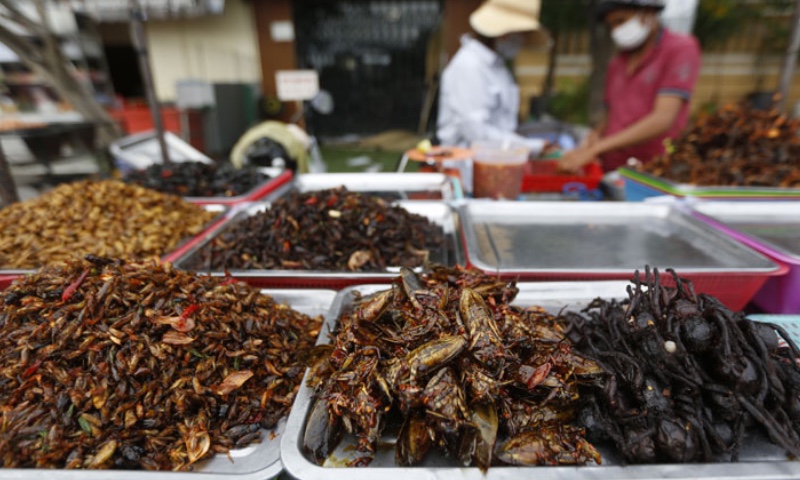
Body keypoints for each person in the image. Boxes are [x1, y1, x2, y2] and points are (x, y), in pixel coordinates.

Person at [558, 0, 701, 173]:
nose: (617, 30)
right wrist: (594, 136)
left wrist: (597, 148)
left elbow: (663, 119)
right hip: (612, 168)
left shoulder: (680, 49)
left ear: (648, 12)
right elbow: (612, 115)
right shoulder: (617, 63)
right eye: (612, 26)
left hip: (652, 170)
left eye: (621, 21)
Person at [436, 0, 549, 154]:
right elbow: (476, 133)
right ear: (504, 34)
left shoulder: (497, 68)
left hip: (496, 162)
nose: (522, 41)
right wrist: (531, 146)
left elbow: (503, 125)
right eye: (522, 34)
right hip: (466, 167)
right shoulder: (470, 66)